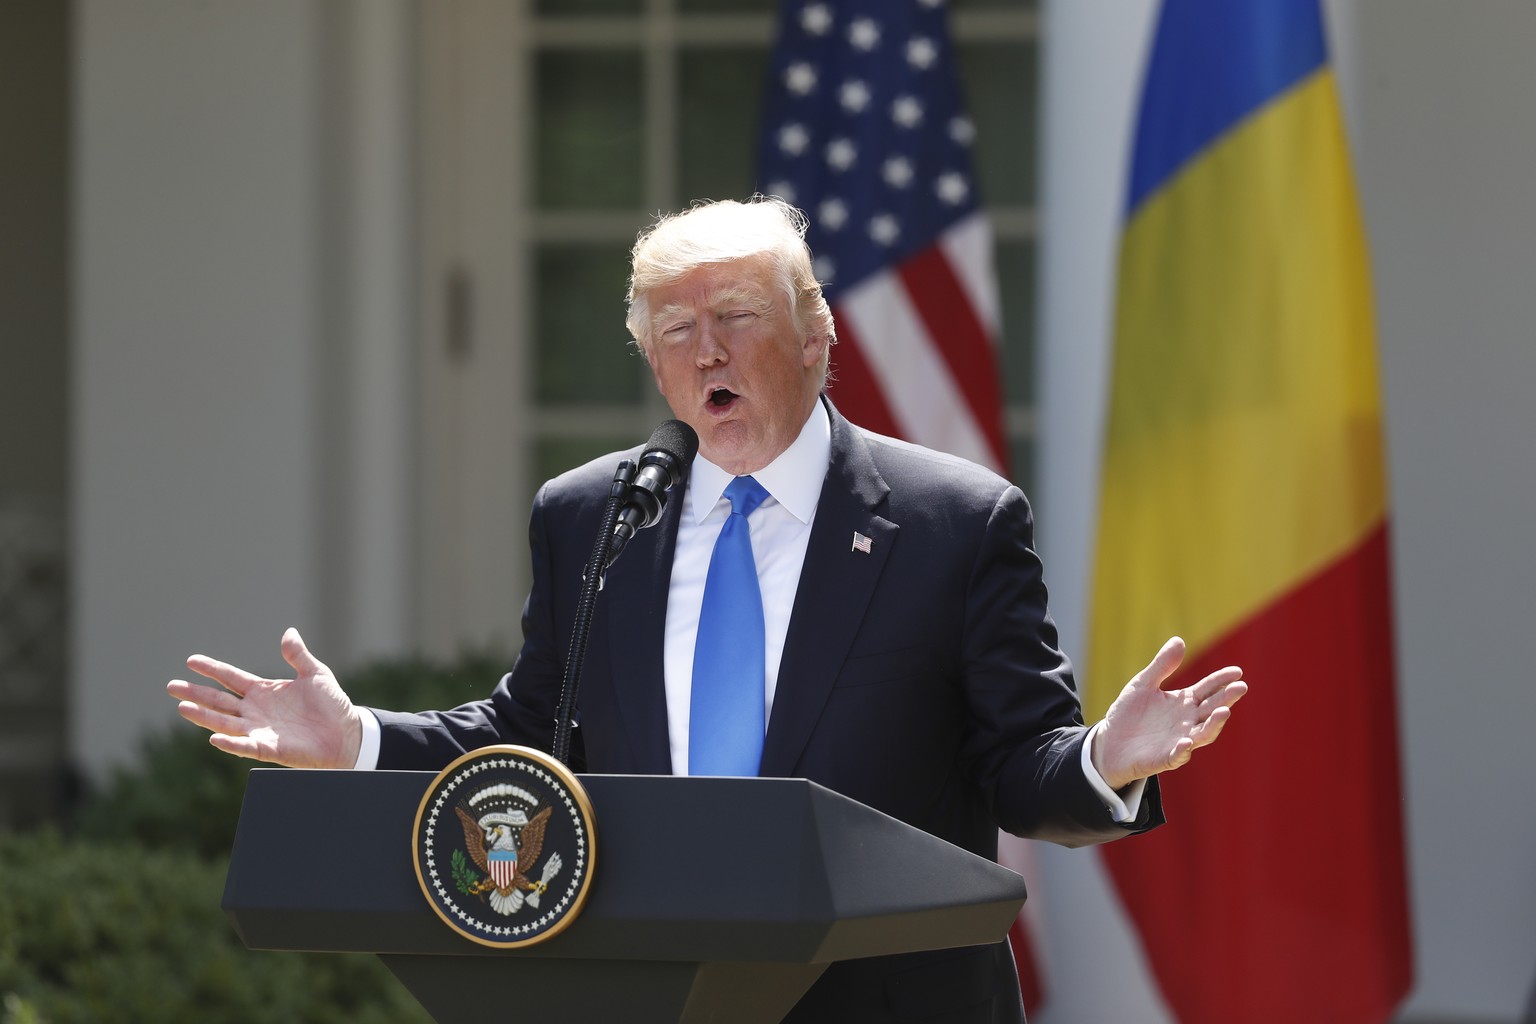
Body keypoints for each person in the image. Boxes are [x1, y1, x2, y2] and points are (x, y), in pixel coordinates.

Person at [168, 196, 1246, 1023]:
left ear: (818, 338)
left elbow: (1022, 765)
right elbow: (528, 735)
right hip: (650, 994)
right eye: (674, 329)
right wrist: (355, 741)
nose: (706, 351)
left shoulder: (952, 523)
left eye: (735, 317)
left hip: (887, 1000)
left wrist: (1108, 755)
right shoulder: (594, 515)